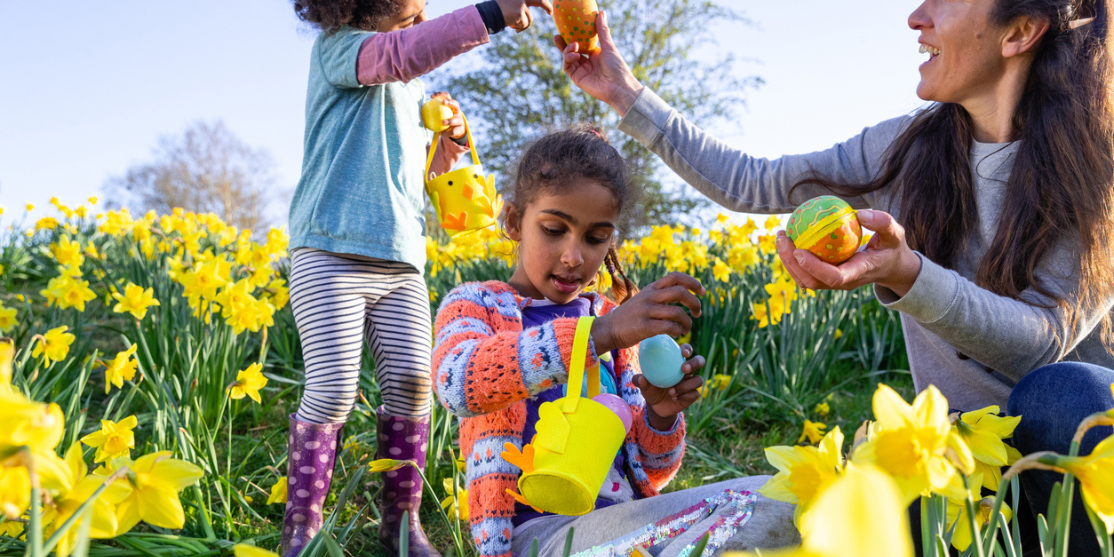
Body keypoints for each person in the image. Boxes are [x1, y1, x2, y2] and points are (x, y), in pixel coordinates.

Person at [557, 0, 1114, 554]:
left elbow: (1042, 345)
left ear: (1019, 31)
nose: (917, 16)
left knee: (1063, 393)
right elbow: (753, 181)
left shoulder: (1097, 167)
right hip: (961, 465)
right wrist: (623, 91)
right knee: (863, 499)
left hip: (1071, 453)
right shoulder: (905, 152)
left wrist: (911, 275)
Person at [431, 127, 798, 557]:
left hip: (623, 526)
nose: (574, 256)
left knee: (787, 497)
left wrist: (661, 413)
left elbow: (650, 475)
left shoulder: (610, 322)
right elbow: (458, 383)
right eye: (553, 229)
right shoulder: (476, 305)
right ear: (514, 221)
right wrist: (600, 335)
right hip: (540, 537)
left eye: (595, 237)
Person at [282, 0, 552, 554]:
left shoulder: (408, 91)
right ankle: (300, 533)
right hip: (330, 251)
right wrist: (493, 13)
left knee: (412, 387)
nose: (424, 17)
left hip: (400, 261)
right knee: (333, 389)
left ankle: (401, 528)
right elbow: (400, 54)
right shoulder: (341, 51)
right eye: (413, 8)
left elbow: (411, 175)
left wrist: (445, 150)